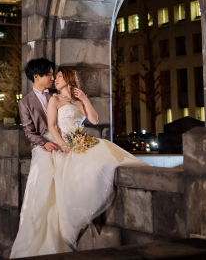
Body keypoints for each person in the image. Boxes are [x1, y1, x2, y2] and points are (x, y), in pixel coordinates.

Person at [11, 68, 149, 257]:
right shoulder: (54, 99)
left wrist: (84, 99)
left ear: (68, 79)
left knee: (104, 152)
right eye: (54, 77)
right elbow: (51, 126)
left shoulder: (78, 100)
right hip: (65, 143)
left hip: (80, 139)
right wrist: (63, 145)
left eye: (59, 77)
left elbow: (94, 120)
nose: (55, 80)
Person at [10, 58, 60, 259]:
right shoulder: (25, 102)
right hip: (42, 145)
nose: (52, 77)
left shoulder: (56, 94)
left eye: (52, 74)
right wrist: (44, 143)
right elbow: (29, 132)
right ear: (36, 76)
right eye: (49, 74)